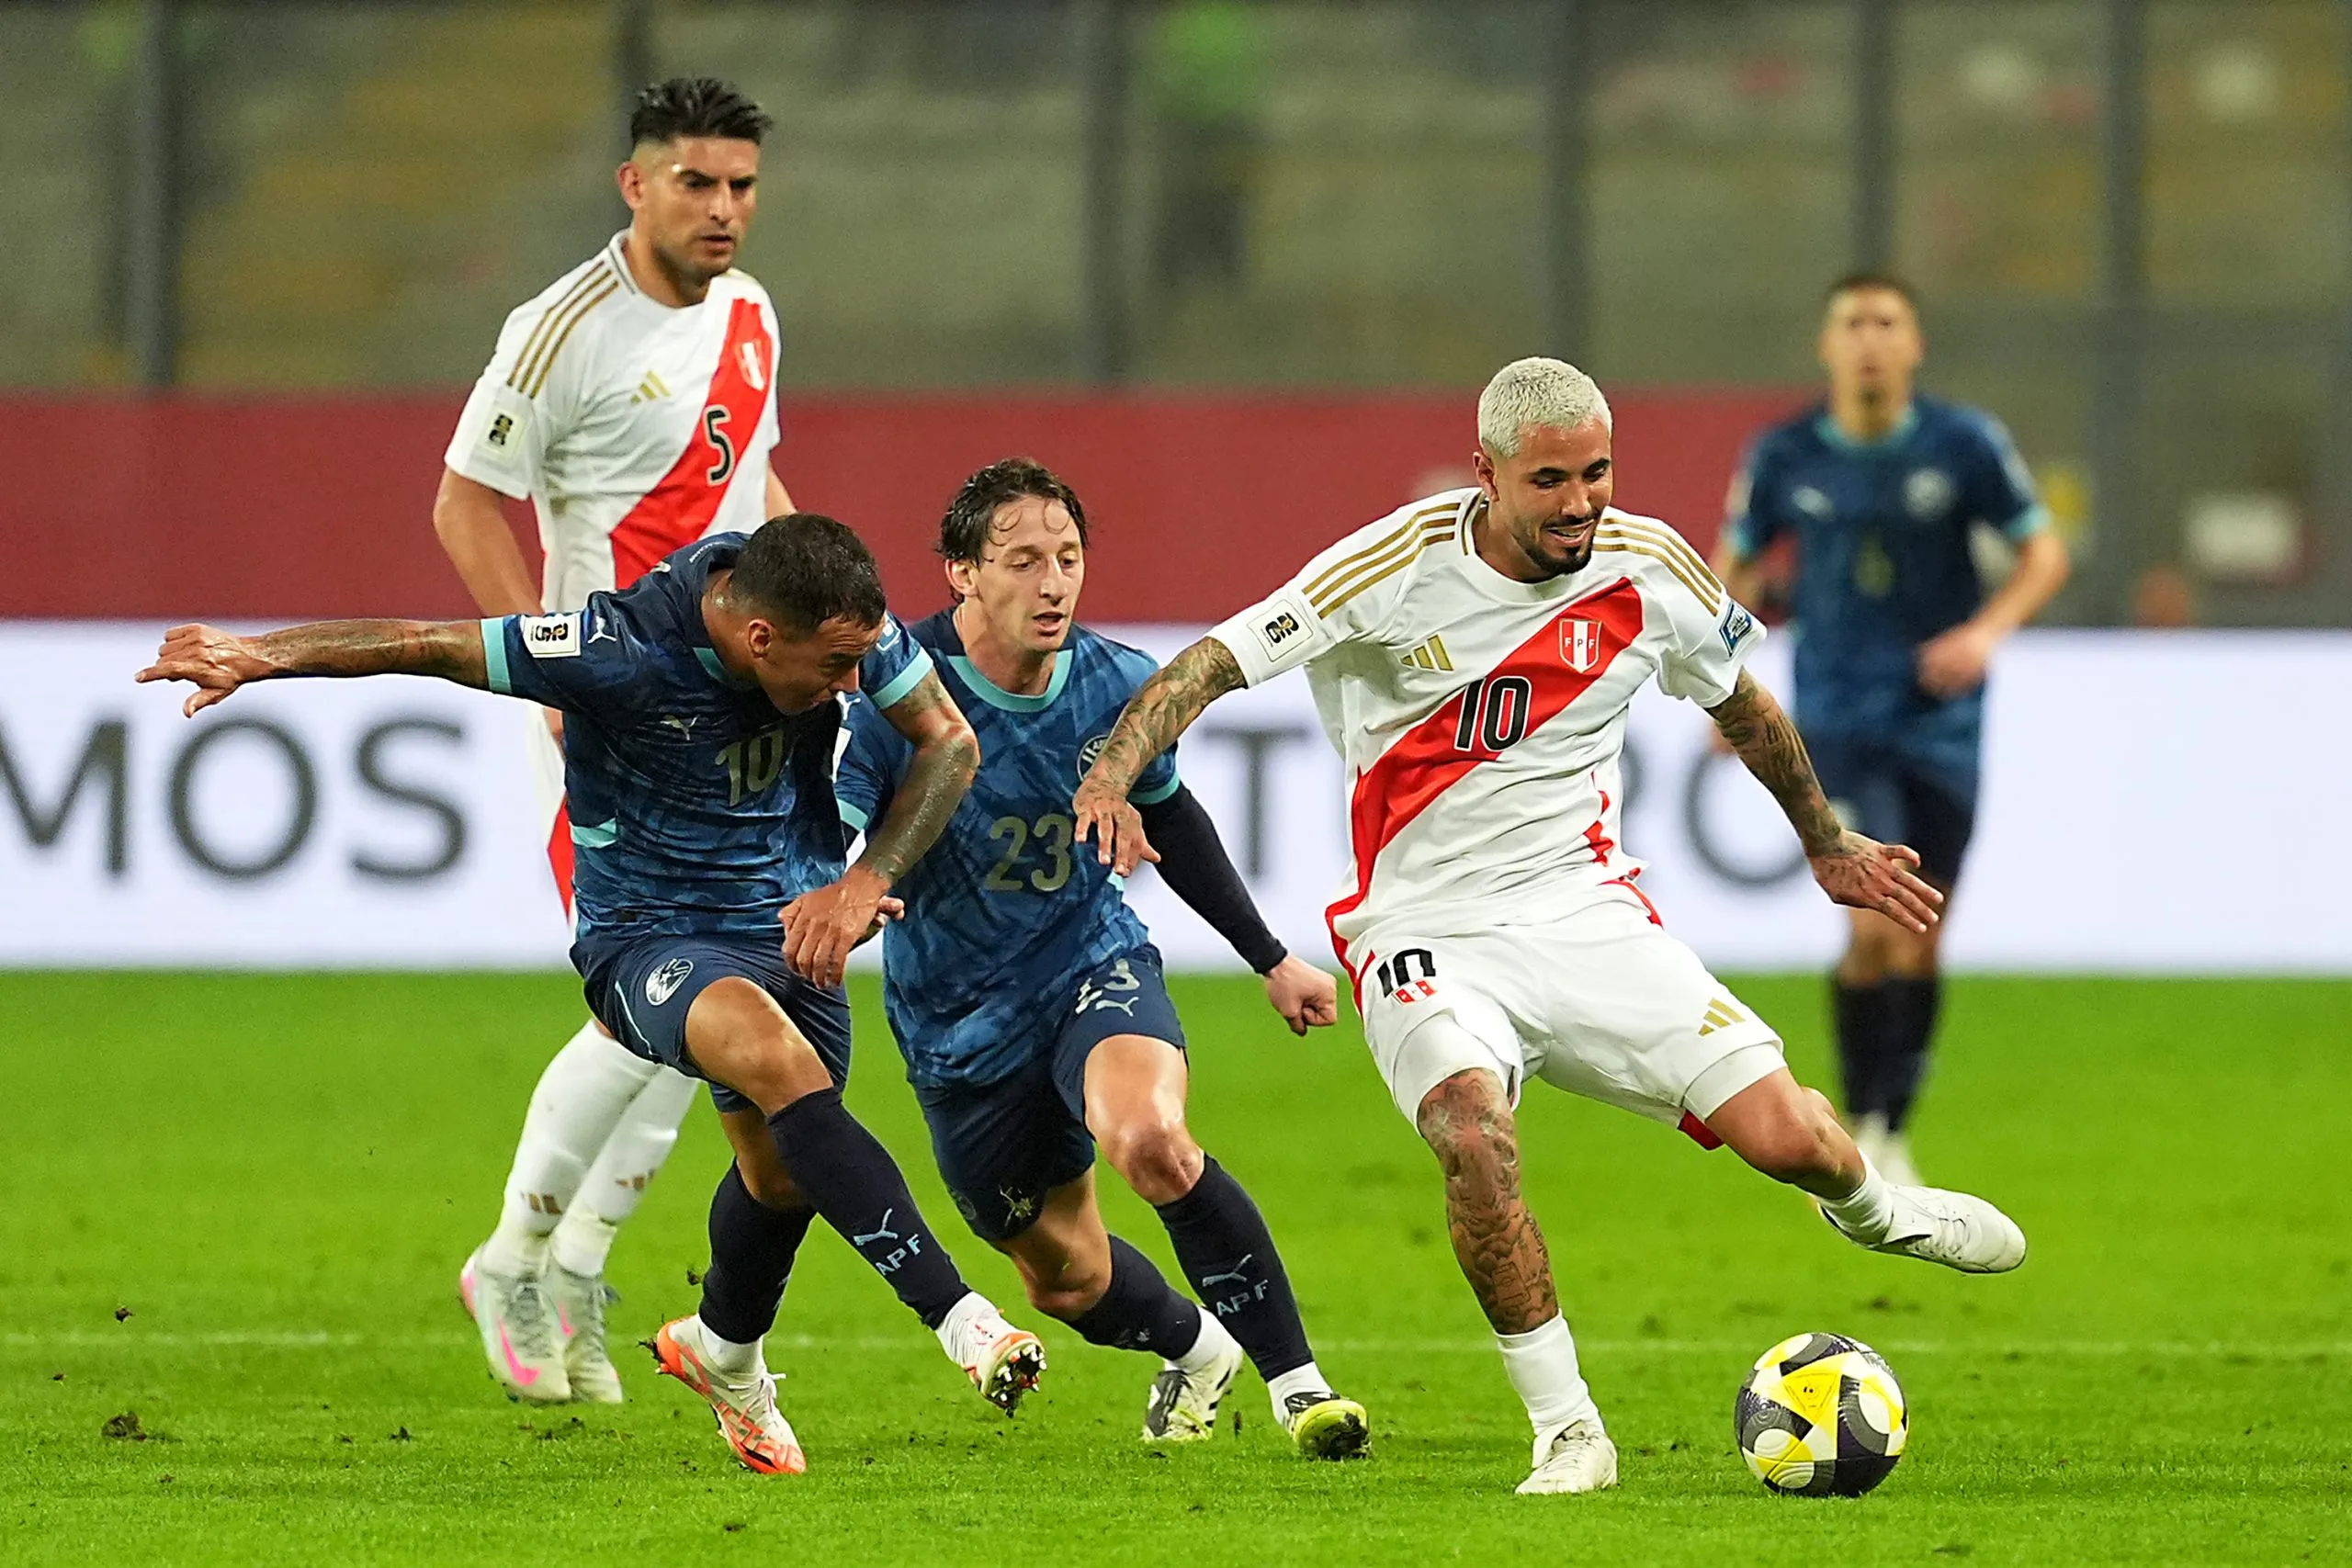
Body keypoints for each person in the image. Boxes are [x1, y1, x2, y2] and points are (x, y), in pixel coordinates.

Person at [1072, 358, 2028, 1497]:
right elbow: (1213, 663)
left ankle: (1871, 1212)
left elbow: (1743, 704)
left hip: (1586, 915)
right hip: (1419, 928)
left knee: (1798, 1144)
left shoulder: (1648, 564)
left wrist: (1824, 841)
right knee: (1472, 1136)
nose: (1580, 503)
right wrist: (1113, 770)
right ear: (1487, 475)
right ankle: (1568, 1428)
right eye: (1550, 482)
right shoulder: (1393, 564)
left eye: (1596, 474)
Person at [139, 515, 1046, 1477]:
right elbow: (430, 644)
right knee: (777, 1065)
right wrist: (257, 655)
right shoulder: (620, 649)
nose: (848, 688)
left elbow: (947, 742)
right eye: (831, 669)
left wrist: (863, 883)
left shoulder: (840, 617)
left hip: (791, 918)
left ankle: (723, 1355)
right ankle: (963, 1320)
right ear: (758, 639)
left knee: (783, 1174)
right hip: (648, 935)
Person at [833, 459, 1369, 1459]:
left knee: (1151, 1139)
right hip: (955, 1029)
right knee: (1064, 1280)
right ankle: (1195, 1347)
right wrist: (844, 903)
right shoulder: (898, 694)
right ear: (960, 572)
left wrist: (1269, 958)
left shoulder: (1120, 684)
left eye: (1068, 558)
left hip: (1090, 966)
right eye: (1023, 560)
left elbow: (1174, 816)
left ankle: (1301, 1388)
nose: (1053, 583)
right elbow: (839, 835)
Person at [433, 77, 800, 1404]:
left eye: (741, 184)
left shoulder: (754, 315)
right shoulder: (560, 330)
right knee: (653, 996)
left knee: (713, 1004)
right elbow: (465, 501)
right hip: (610, 702)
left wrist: (824, 631)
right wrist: (542, 656)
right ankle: (516, 1255)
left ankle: (575, 1260)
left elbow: (758, 493)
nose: (723, 208)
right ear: (632, 184)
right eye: (696, 181)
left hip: (734, 705)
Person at [1713, 275, 2071, 1184]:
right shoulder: (1786, 453)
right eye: (1851, 324)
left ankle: (1885, 1132)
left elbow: (2042, 550)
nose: (1868, 340)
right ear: (1824, 347)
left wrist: (1984, 633)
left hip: (1942, 724)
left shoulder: (1964, 445)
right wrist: (1719, 682)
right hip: (1835, 717)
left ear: (1913, 346)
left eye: (1886, 323)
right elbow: (1737, 568)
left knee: (1924, 934)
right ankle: (1865, 1132)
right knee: (1879, 920)